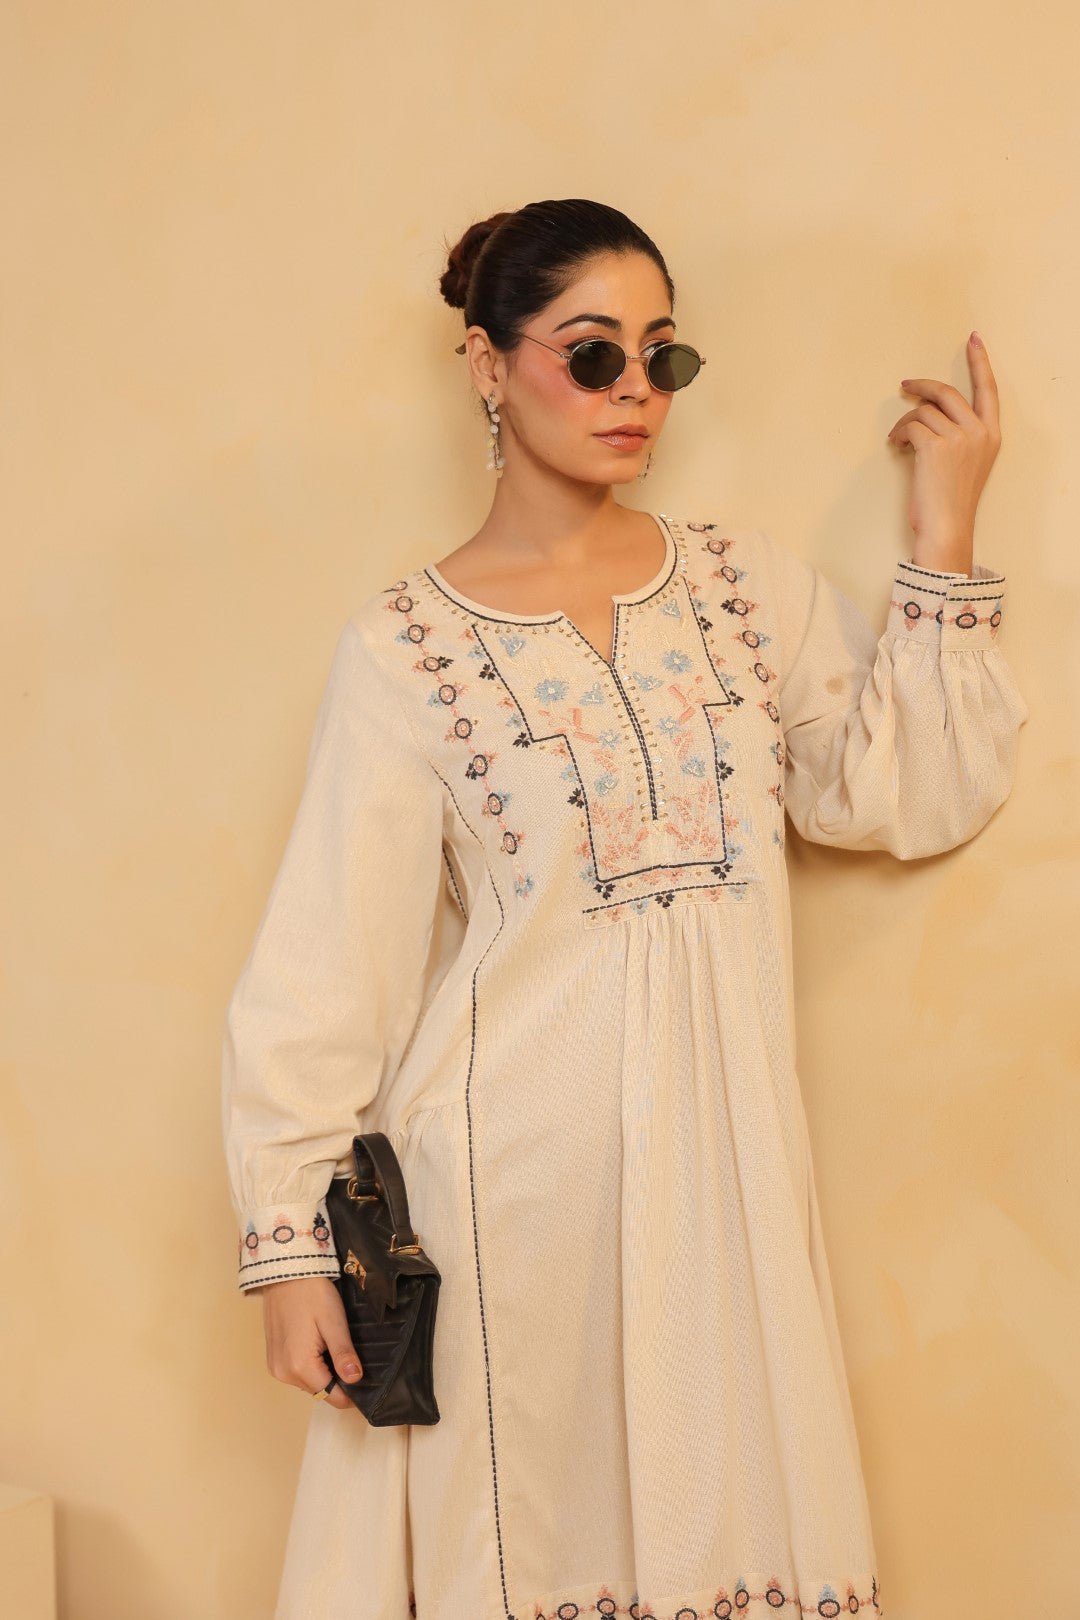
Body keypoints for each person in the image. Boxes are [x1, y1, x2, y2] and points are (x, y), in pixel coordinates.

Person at [221, 197, 1027, 1620]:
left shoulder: (740, 592)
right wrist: (290, 1250)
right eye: (592, 354)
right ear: (489, 364)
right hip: (508, 1196)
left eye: (664, 356)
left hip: (727, 1186)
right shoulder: (408, 650)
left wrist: (944, 524)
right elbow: (324, 964)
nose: (635, 390)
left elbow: (903, 792)